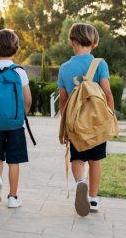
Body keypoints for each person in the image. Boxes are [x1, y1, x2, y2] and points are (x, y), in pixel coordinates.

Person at [58, 23, 114, 216]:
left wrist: (65, 127)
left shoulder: (64, 68)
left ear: (72, 42)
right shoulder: (100, 64)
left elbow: (63, 100)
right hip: (97, 123)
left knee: (78, 158)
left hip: (75, 123)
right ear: (94, 42)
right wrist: (110, 116)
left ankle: (81, 181)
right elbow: (107, 93)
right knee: (95, 161)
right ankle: (93, 198)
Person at [0, 29, 32, 208]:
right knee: (13, 160)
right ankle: (13, 197)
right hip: (15, 123)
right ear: (15, 48)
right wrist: (20, 116)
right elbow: (28, 99)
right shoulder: (19, 71)